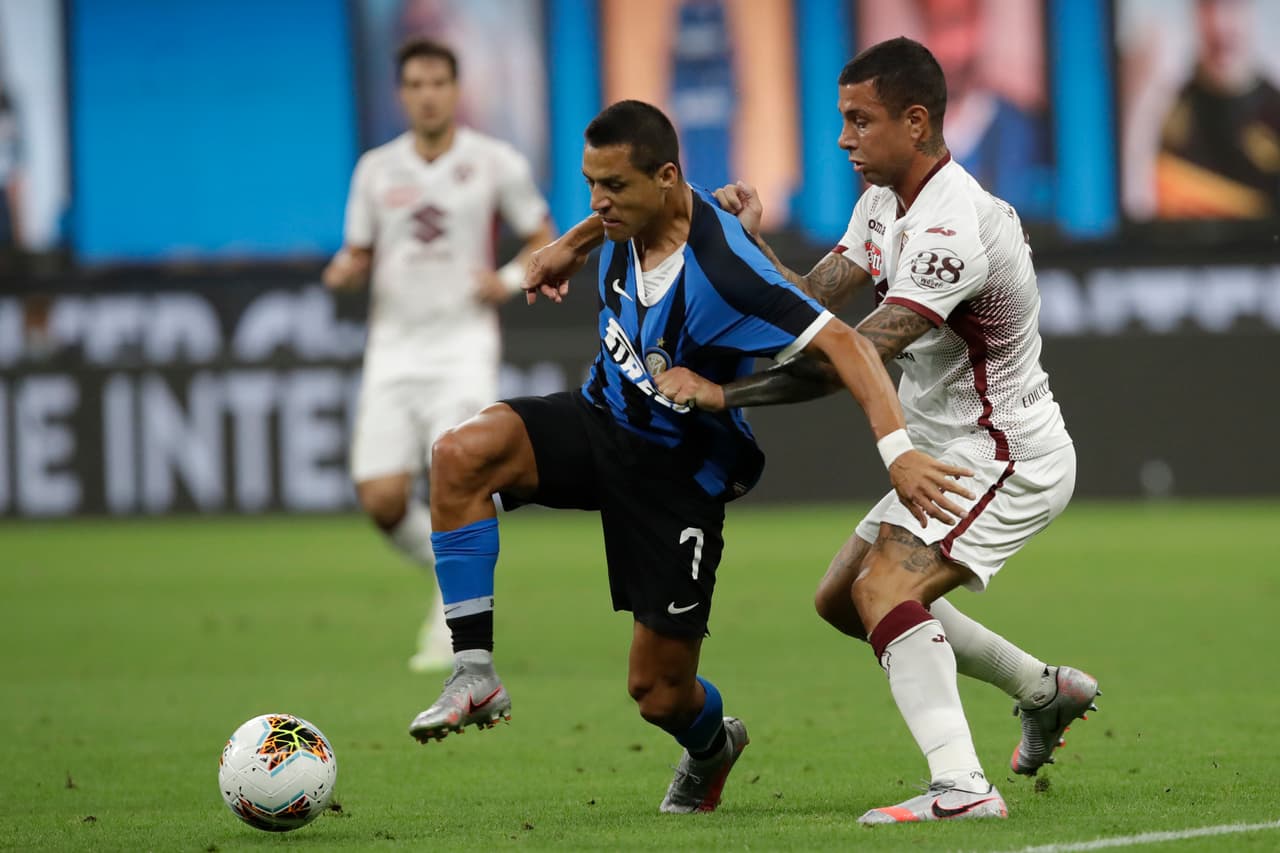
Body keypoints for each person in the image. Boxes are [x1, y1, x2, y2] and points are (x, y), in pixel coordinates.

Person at [534, 40, 1100, 824]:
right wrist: (748, 244)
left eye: (859, 121)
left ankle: (962, 786)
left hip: (1002, 452)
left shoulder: (951, 228)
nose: (844, 138)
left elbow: (849, 356)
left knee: (884, 589)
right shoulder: (883, 205)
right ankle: (1044, 688)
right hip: (947, 443)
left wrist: (721, 393)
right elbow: (802, 306)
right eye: (842, 119)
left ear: (916, 121)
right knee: (843, 600)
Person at [407, 99, 974, 814]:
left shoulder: (729, 271)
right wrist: (570, 246)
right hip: (602, 417)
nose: (598, 202)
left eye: (613, 186)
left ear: (667, 177)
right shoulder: (627, 214)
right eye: (590, 184)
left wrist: (897, 453)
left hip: (678, 473)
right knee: (460, 454)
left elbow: (851, 347)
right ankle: (473, 670)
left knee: (658, 692)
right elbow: (617, 211)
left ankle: (713, 744)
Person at [323, 38, 554, 673]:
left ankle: (454, 619)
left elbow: (542, 233)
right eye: (415, 84)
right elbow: (361, 251)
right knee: (380, 499)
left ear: (455, 91)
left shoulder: (493, 161)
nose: (427, 95)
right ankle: (448, 570)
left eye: (437, 83)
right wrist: (347, 268)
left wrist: (507, 280)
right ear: (403, 94)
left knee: (458, 479)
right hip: (393, 349)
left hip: (462, 346)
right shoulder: (376, 169)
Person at [1153, 0, 1280, 218]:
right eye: (1208, 6)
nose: (1219, 23)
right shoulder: (1163, 105)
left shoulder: (1274, 110)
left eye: (1232, 6)